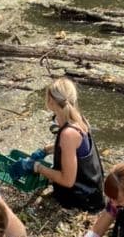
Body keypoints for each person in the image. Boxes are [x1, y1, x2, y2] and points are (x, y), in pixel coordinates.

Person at [28, 78, 104, 213]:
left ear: (51, 102)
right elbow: (75, 148)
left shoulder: (68, 134)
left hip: (82, 200)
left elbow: (68, 180)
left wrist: (37, 167)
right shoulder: (79, 119)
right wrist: (46, 150)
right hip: (93, 191)